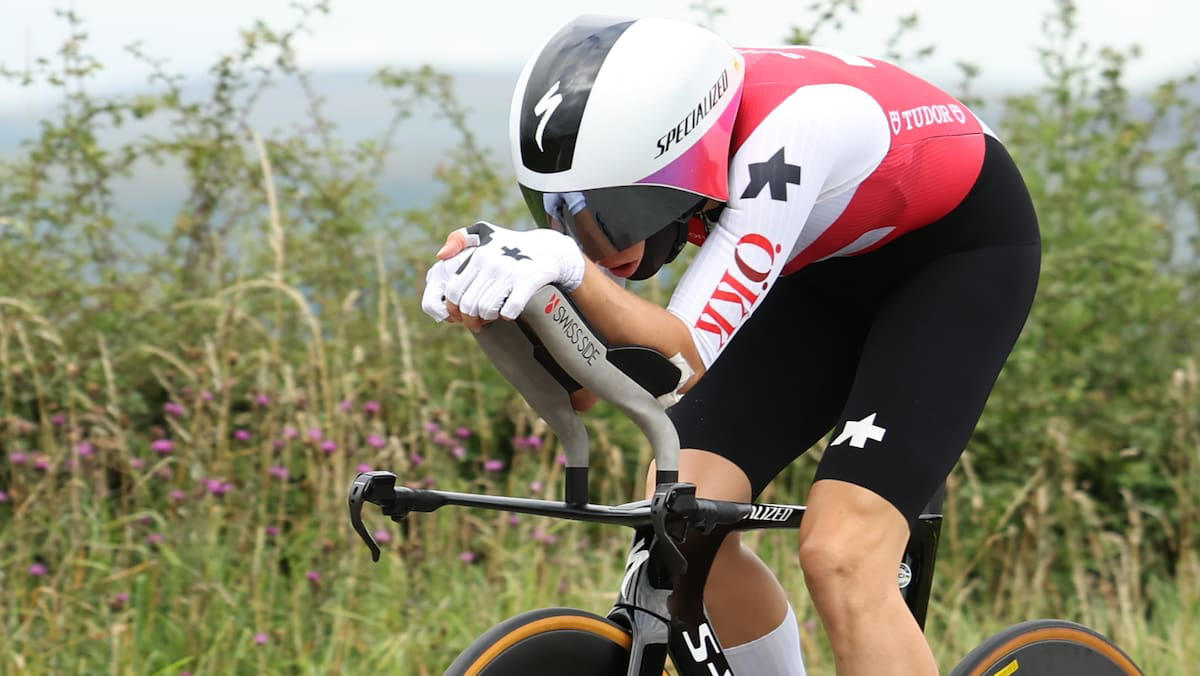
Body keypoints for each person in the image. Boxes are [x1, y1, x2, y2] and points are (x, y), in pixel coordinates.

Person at [421, 15, 1040, 676]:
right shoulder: (675, 155)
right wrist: (516, 309)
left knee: (844, 552)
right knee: (683, 521)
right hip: (822, 265)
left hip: (954, 258)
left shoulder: (790, 139)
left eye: (608, 217)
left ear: (680, 164)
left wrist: (563, 267)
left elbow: (678, 362)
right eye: (561, 213)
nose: (593, 246)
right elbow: (596, 386)